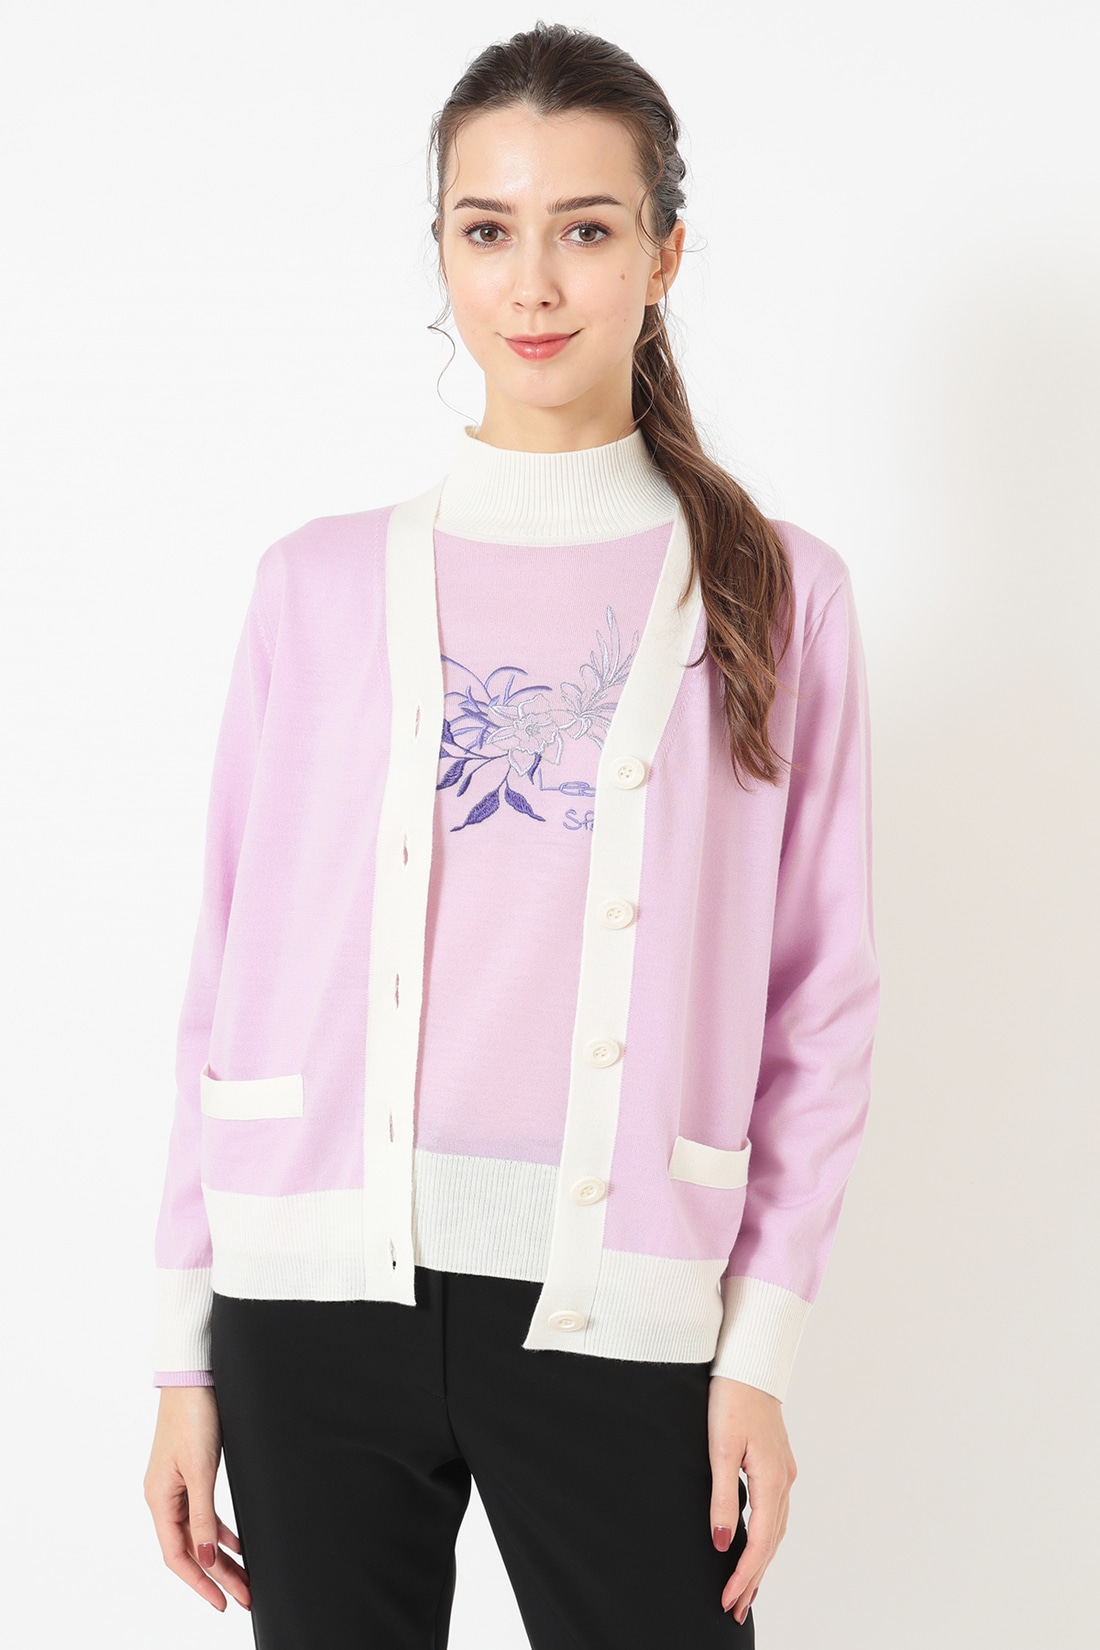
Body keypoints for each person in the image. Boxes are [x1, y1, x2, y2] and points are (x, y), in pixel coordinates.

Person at [143, 21, 879, 1648]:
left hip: (624, 1308)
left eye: (586, 228)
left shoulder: (773, 590)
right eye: (488, 229)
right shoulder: (316, 584)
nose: (533, 283)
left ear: (663, 255)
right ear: (442, 250)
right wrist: (184, 1356)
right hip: (311, 1299)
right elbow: (226, 969)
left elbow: (821, 1007)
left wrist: (759, 1351)